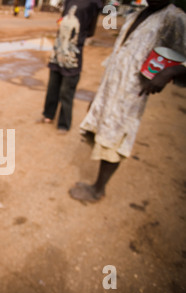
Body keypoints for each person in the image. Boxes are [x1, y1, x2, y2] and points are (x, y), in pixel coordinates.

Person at [69, 0, 186, 203]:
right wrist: (99, 94)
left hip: (131, 94)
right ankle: (97, 185)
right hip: (111, 88)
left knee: (115, 137)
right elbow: (119, 55)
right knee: (102, 130)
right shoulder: (137, 14)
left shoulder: (175, 18)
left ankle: (98, 189)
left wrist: (169, 72)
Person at [37, 0, 103, 133]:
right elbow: (62, 20)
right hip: (58, 49)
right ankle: (48, 114)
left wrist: (75, 40)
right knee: (53, 84)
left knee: (67, 90)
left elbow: (91, 31)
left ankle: (64, 123)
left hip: (73, 51)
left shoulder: (94, 2)